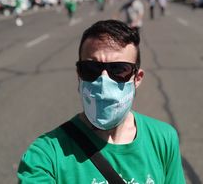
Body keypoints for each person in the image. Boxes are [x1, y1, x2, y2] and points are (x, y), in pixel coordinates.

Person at [17, 19, 186, 183]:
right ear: (79, 74)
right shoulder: (45, 155)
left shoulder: (163, 138)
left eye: (119, 69)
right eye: (91, 69)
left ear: (137, 78)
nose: (104, 81)